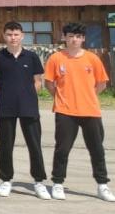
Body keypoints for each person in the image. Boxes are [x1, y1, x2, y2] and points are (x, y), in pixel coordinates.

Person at [44, 22, 112, 202]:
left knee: (97, 149)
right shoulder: (56, 58)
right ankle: (57, 183)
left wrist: (88, 95)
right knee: (62, 149)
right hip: (65, 111)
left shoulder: (92, 58)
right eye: (70, 36)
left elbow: (102, 83)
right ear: (64, 37)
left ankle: (102, 185)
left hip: (90, 110)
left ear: (83, 39)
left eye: (78, 36)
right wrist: (61, 97)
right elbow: (49, 83)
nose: (74, 40)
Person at [0, 21, 47, 198]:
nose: (13, 38)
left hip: (29, 107)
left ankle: (39, 181)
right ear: (4, 36)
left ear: (22, 36)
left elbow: (38, 81)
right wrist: (8, 95)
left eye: (16, 34)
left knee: (34, 145)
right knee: (6, 145)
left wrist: (27, 95)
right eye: (9, 34)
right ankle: (6, 180)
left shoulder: (31, 56)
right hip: (6, 107)